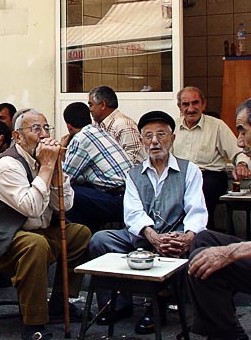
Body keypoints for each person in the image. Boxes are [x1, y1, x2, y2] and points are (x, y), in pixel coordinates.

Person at [0, 108, 91, 340]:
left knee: (80, 234)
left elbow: (65, 205)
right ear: (17, 137)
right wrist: (46, 167)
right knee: (34, 245)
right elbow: (31, 208)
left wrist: (56, 171)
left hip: (35, 232)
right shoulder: (8, 165)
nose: (44, 135)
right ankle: (33, 324)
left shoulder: (40, 159)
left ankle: (59, 301)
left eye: (46, 128)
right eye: (36, 129)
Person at [88, 110, 207, 335]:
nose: (154, 141)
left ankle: (160, 303)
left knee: (198, 246)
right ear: (142, 141)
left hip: (175, 237)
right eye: (148, 136)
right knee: (100, 240)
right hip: (143, 237)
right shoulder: (133, 174)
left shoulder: (189, 170)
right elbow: (132, 213)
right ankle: (117, 304)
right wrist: (152, 235)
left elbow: (196, 210)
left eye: (161, 135)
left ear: (172, 139)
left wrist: (187, 236)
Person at [187, 98, 251, 340]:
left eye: (243, 130)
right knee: (202, 241)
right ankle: (224, 331)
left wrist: (231, 252)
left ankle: (225, 335)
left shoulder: (214, 127)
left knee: (205, 260)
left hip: (209, 178)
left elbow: (236, 154)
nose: (240, 141)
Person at [172, 86, 250, 229]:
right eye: (186, 104)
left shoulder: (217, 126)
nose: (191, 108)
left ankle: (201, 233)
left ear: (203, 104)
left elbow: (239, 151)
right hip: (180, 176)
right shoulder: (173, 127)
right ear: (179, 106)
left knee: (202, 191)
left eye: (195, 103)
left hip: (209, 176)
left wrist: (242, 165)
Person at [61, 102, 133, 232]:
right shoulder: (99, 131)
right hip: (129, 195)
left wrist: (60, 152)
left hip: (119, 200)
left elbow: (65, 178)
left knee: (68, 193)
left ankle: (78, 239)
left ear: (69, 126)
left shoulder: (81, 138)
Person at [88, 85, 146, 165]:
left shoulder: (124, 126)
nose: (89, 109)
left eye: (91, 105)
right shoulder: (96, 125)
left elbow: (135, 163)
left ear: (102, 105)